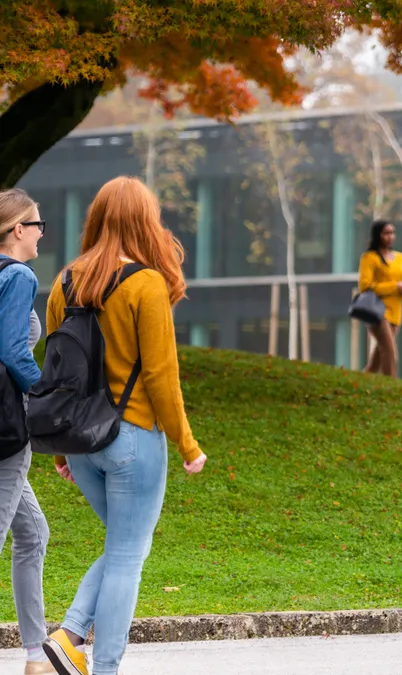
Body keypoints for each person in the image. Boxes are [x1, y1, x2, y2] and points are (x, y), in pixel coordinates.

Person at [41, 177, 208, 675]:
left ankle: (68, 638)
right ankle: (100, 663)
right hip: (131, 438)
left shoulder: (63, 281)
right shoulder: (145, 284)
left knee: (122, 547)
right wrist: (187, 443)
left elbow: (55, 370)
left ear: (96, 218)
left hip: (79, 441)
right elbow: (160, 375)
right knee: (129, 556)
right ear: (145, 221)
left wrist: (61, 449)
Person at [0, 189, 54, 675]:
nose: (41, 234)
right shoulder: (17, 275)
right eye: (37, 225)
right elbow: (15, 351)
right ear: (18, 229)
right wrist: (49, 398)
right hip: (6, 429)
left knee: (33, 533)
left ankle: (36, 656)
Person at [357, 220, 402, 378]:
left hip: (395, 313)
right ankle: (392, 385)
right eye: (386, 233)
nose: (390, 236)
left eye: (392, 232)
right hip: (376, 311)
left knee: (378, 358)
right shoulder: (369, 258)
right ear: (378, 235)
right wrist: (395, 286)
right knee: (390, 351)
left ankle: (360, 381)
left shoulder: (400, 258)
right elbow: (365, 286)